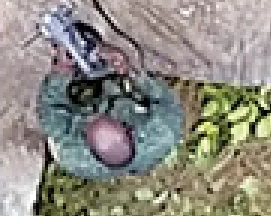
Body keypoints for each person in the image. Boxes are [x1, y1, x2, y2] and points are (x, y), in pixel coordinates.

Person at [37, 24, 185, 179]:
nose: (94, 115)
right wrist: (129, 71)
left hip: (76, 128)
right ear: (128, 128)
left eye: (89, 123)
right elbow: (164, 98)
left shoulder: (73, 156)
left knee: (63, 117)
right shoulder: (164, 132)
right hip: (126, 107)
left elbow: (49, 109)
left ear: (87, 144)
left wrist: (60, 73)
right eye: (102, 116)